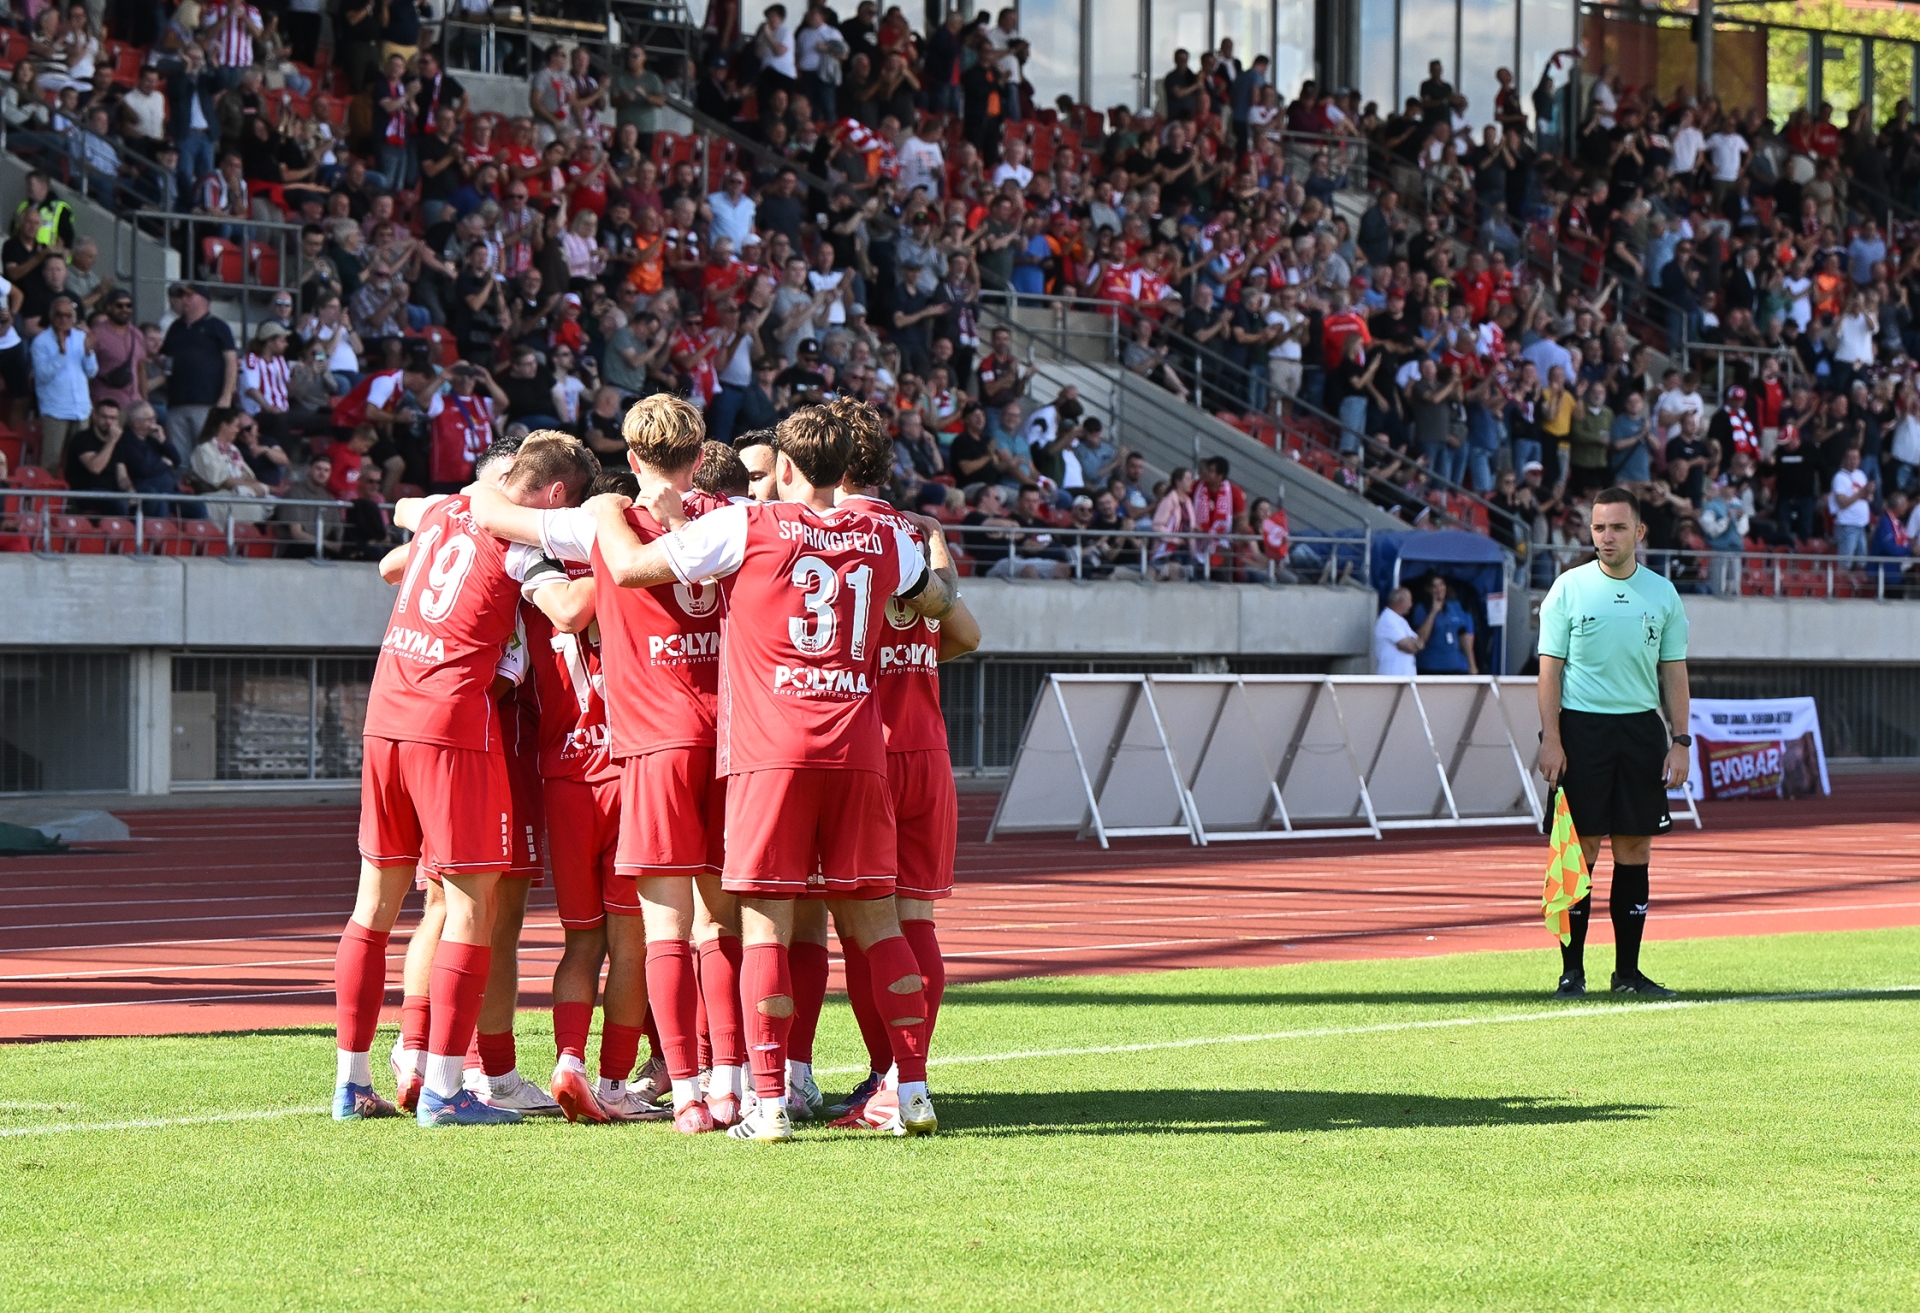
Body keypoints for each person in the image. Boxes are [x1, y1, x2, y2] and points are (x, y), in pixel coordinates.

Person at [584, 405, 959, 1142]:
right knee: (880, 922)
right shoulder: (888, 534)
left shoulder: (747, 525)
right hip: (858, 750)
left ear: (784, 467)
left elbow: (631, 569)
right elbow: (942, 605)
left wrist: (618, 511)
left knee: (765, 926)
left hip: (771, 751)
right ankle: (910, 1090)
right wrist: (925, 579)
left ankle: (769, 1104)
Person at [465, 396, 741, 1133]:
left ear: (632, 454)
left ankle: (567, 1059)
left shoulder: (565, 556)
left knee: (583, 939)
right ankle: (662, 1078)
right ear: (699, 453)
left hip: (571, 772)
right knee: (671, 931)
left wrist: (456, 502)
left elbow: (488, 517)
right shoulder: (726, 518)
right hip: (653, 756)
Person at [329, 433, 597, 1126]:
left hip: (385, 715)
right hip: (452, 726)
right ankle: (447, 1089)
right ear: (555, 496)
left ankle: (351, 1083)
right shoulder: (520, 542)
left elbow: (393, 557)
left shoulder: (444, 511)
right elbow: (568, 610)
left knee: (373, 907)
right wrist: (620, 556)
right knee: (474, 908)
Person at [827, 399, 980, 1126]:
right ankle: (901, 1077)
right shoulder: (915, 534)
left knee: (865, 924)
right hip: (927, 743)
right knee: (915, 917)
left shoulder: (831, 535)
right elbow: (966, 633)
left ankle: (885, 1077)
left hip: (864, 746)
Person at [1536, 485, 1691, 1001]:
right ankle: (1571, 974)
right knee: (1580, 850)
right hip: (1582, 732)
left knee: (1634, 847)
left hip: (1641, 732)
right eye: (1599, 527)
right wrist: (1552, 739)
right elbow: (1549, 673)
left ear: (1639, 532)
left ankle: (1627, 973)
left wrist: (1681, 740)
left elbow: (1674, 673)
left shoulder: (1663, 594)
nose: (1607, 536)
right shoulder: (1568, 589)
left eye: (1618, 527)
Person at [30, 294, 96, 470]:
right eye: (59, 314)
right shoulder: (41, 342)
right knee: (51, 461)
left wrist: (88, 352)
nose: (64, 319)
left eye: (68, 315)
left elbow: (92, 372)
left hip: (81, 409)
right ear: (51, 316)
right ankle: (46, 490)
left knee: (81, 462)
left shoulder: (81, 338)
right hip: (56, 410)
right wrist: (61, 354)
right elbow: (42, 376)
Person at [1410, 576, 1476, 675]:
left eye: (1441, 584)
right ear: (1428, 589)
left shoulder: (1455, 606)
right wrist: (1433, 612)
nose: (1439, 589)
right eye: (1434, 586)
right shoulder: (1421, 608)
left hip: (1454, 665)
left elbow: (1463, 636)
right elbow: (1421, 639)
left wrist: (1472, 664)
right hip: (1431, 667)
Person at [1372, 587, 1421, 677]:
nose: (1411, 604)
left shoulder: (1402, 621)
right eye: (1409, 601)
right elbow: (1410, 647)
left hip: (1407, 677)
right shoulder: (1388, 619)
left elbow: (1420, 643)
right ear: (1400, 602)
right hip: (1392, 677)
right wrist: (1411, 643)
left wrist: (1412, 643)